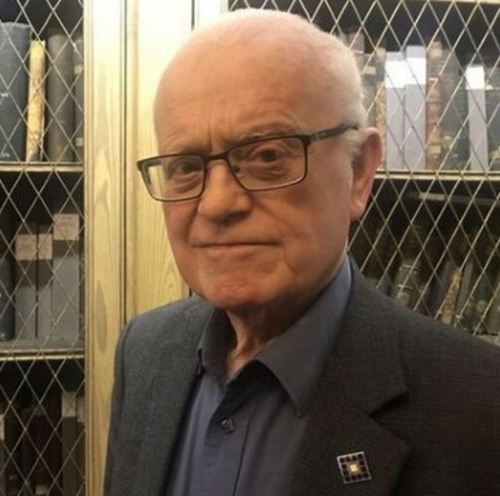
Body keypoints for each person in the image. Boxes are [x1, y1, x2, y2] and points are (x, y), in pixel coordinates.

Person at [104, 9, 500, 496]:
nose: (217, 204)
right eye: (186, 166)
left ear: (359, 171)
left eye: (267, 156)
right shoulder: (144, 353)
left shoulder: (480, 404)